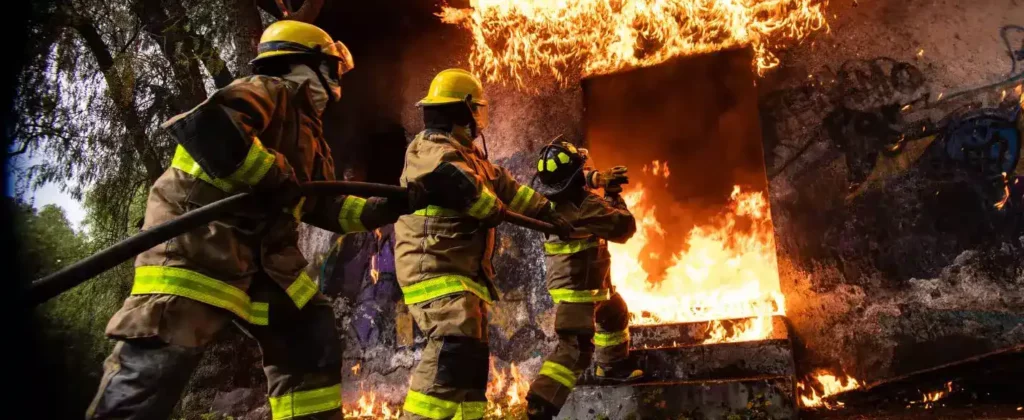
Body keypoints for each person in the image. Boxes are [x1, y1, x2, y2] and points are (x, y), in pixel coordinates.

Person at [87, 21, 405, 420]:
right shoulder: (265, 90)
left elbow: (325, 205)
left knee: (308, 335)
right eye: (332, 69)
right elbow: (210, 130)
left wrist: (386, 208)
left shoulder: (308, 133)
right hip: (201, 246)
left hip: (266, 262)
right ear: (306, 64)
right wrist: (273, 174)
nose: (337, 82)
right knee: (160, 359)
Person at [394, 68, 573, 420]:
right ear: (463, 110)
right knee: (452, 349)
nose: (479, 120)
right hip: (435, 269)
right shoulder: (429, 149)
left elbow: (507, 188)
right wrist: (487, 205)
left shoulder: (470, 156)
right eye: (475, 110)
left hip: (464, 275)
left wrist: (547, 212)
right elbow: (458, 183)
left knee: (471, 363)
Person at [524, 139, 642, 419]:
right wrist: (612, 194)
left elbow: (569, 180)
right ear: (575, 177)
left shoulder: (548, 202)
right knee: (575, 349)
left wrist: (596, 178)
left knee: (614, 312)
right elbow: (624, 227)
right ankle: (540, 404)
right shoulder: (587, 207)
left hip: (584, 285)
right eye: (582, 170)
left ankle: (611, 366)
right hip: (579, 290)